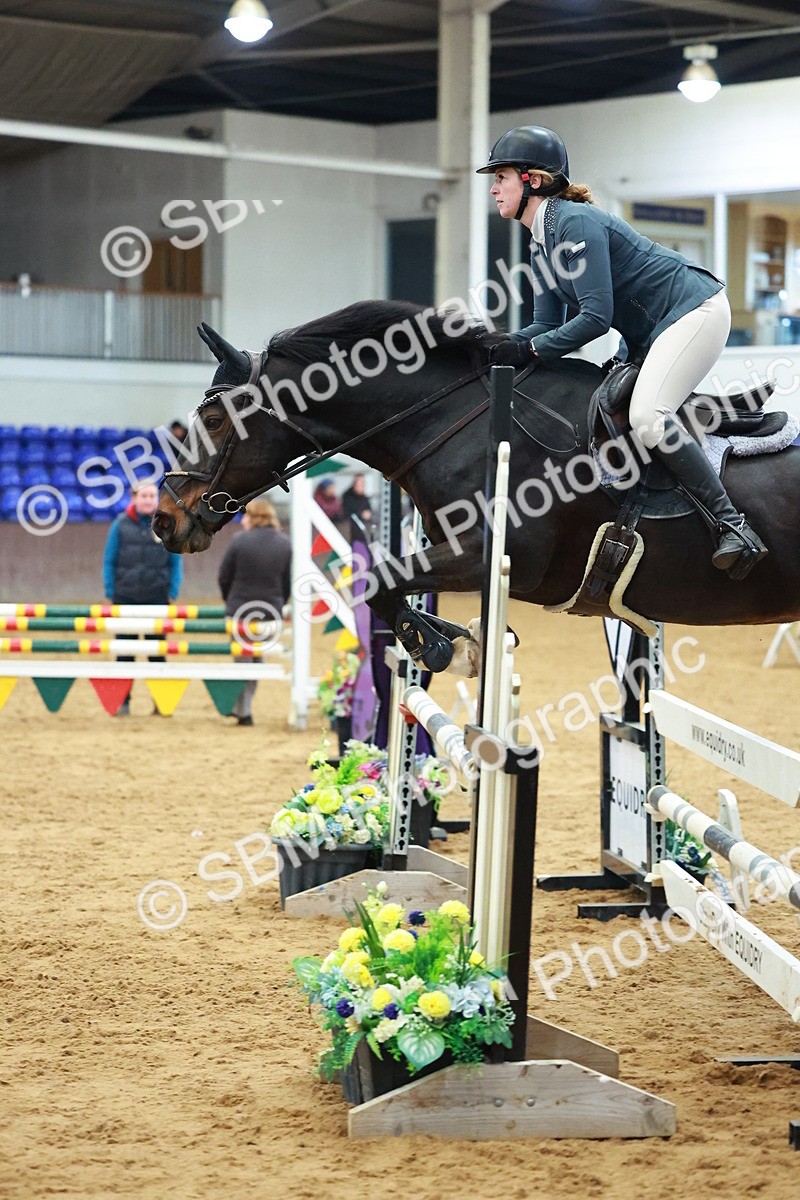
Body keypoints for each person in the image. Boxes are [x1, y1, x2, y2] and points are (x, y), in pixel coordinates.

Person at [477, 125, 768, 581]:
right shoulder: (541, 242)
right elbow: (545, 326)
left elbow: (594, 318)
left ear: (533, 180)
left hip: (694, 311)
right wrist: (497, 349)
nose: (493, 188)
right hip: (653, 331)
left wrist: (529, 348)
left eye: (502, 177)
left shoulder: (572, 221)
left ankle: (733, 525)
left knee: (649, 416)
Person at [103, 482, 183, 716]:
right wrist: (110, 591)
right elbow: (109, 560)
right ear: (134, 498)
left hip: (157, 600)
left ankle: (161, 703)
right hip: (125, 599)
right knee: (124, 654)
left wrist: (173, 592)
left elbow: (176, 562)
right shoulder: (119, 526)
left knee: (157, 654)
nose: (148, 500)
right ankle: (123, 702)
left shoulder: (166, 524)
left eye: (152, 496)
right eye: (144, 496)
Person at [217, 497, 292, 727]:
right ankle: (242, 707)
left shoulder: (239, 542)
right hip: (270, 612)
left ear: (254, 517)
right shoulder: (285, 543)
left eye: (246, 516)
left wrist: (229, 600)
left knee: (242, 661)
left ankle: (243, 710)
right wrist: (278, 604)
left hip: (240, 611)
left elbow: (224, 577)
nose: (243, 521)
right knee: (255, 659)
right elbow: (286, 582)